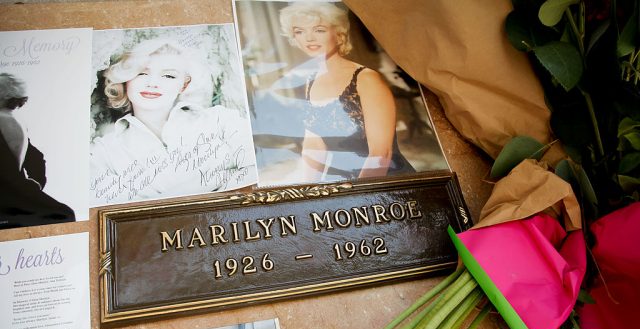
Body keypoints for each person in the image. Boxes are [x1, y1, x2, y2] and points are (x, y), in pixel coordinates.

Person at [90, 37, 255, 205]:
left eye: (168, 76)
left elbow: (258, 171)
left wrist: (165, 198)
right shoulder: (104, 153)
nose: (153, 83)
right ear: (126, 79)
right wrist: (218, 178)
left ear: (183, 85)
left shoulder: (221, 120)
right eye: (142, 73)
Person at [279, 2, 415, 183]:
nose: (309, 38)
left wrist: (356, 196)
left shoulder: (366, 79)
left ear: (339, 34)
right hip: (343, 185)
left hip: (384, 183)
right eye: (299, 31)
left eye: (319, 30)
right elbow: (314, 147)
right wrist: (309, 192)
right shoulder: (309, 83)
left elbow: (381, 153)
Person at [0, 73, 75, 228]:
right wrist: (35, 185)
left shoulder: (6, 119)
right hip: (20, 194)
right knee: (64, 214)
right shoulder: (17, 120)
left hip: (10, 197)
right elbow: (36, 158)